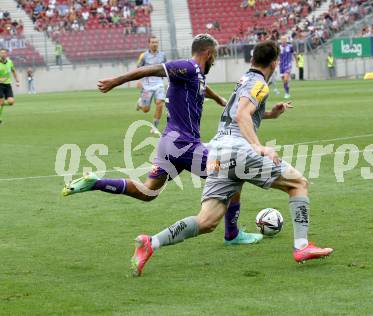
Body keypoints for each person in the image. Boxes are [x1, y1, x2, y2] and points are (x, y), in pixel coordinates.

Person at [130, 40, 333, 276]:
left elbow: (238, 113)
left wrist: (271, 114)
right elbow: (241, 114)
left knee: (206, 221)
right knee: (298, 184)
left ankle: (150, 242)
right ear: (275, 63)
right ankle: (302, 246)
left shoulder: (244, 80)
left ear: (252, 60)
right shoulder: (260, 84)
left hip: (217, 151)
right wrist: (259, 147)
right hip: (239, 150)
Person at [62, 34, 262, 258]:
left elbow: (203, 88)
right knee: (232, 173)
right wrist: (116, 81)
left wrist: (218, 100)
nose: (215, 59)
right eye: (214, 54)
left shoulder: (196, 74)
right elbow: (152, 69)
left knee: (148, 192)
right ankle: (233, 234)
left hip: (169, 145)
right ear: (207, 53)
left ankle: (95, 183)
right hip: (184, 145)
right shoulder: (186, 67)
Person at [136, 36, 167, 134]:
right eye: (153, 42)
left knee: (160, 104)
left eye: (156, 42)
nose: (155, 44)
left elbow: (166, 68)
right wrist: (138, 80)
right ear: (149, 44)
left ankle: (154, 127)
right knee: (146, 109)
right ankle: (140, 103)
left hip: (159, 84)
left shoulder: (163, 55)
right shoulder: (143, 56)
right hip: (147, 85)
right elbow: (138, 69)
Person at [0, 48, 20, 124]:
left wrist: (17, 80)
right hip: (0, 85)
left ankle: (1, 103)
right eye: (1, 53)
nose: (3, 54)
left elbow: (13, 71)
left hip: (8, 84)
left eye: (4, 53)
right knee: (1, 102)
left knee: (11, 102)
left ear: (6, 54)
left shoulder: (10, 62)